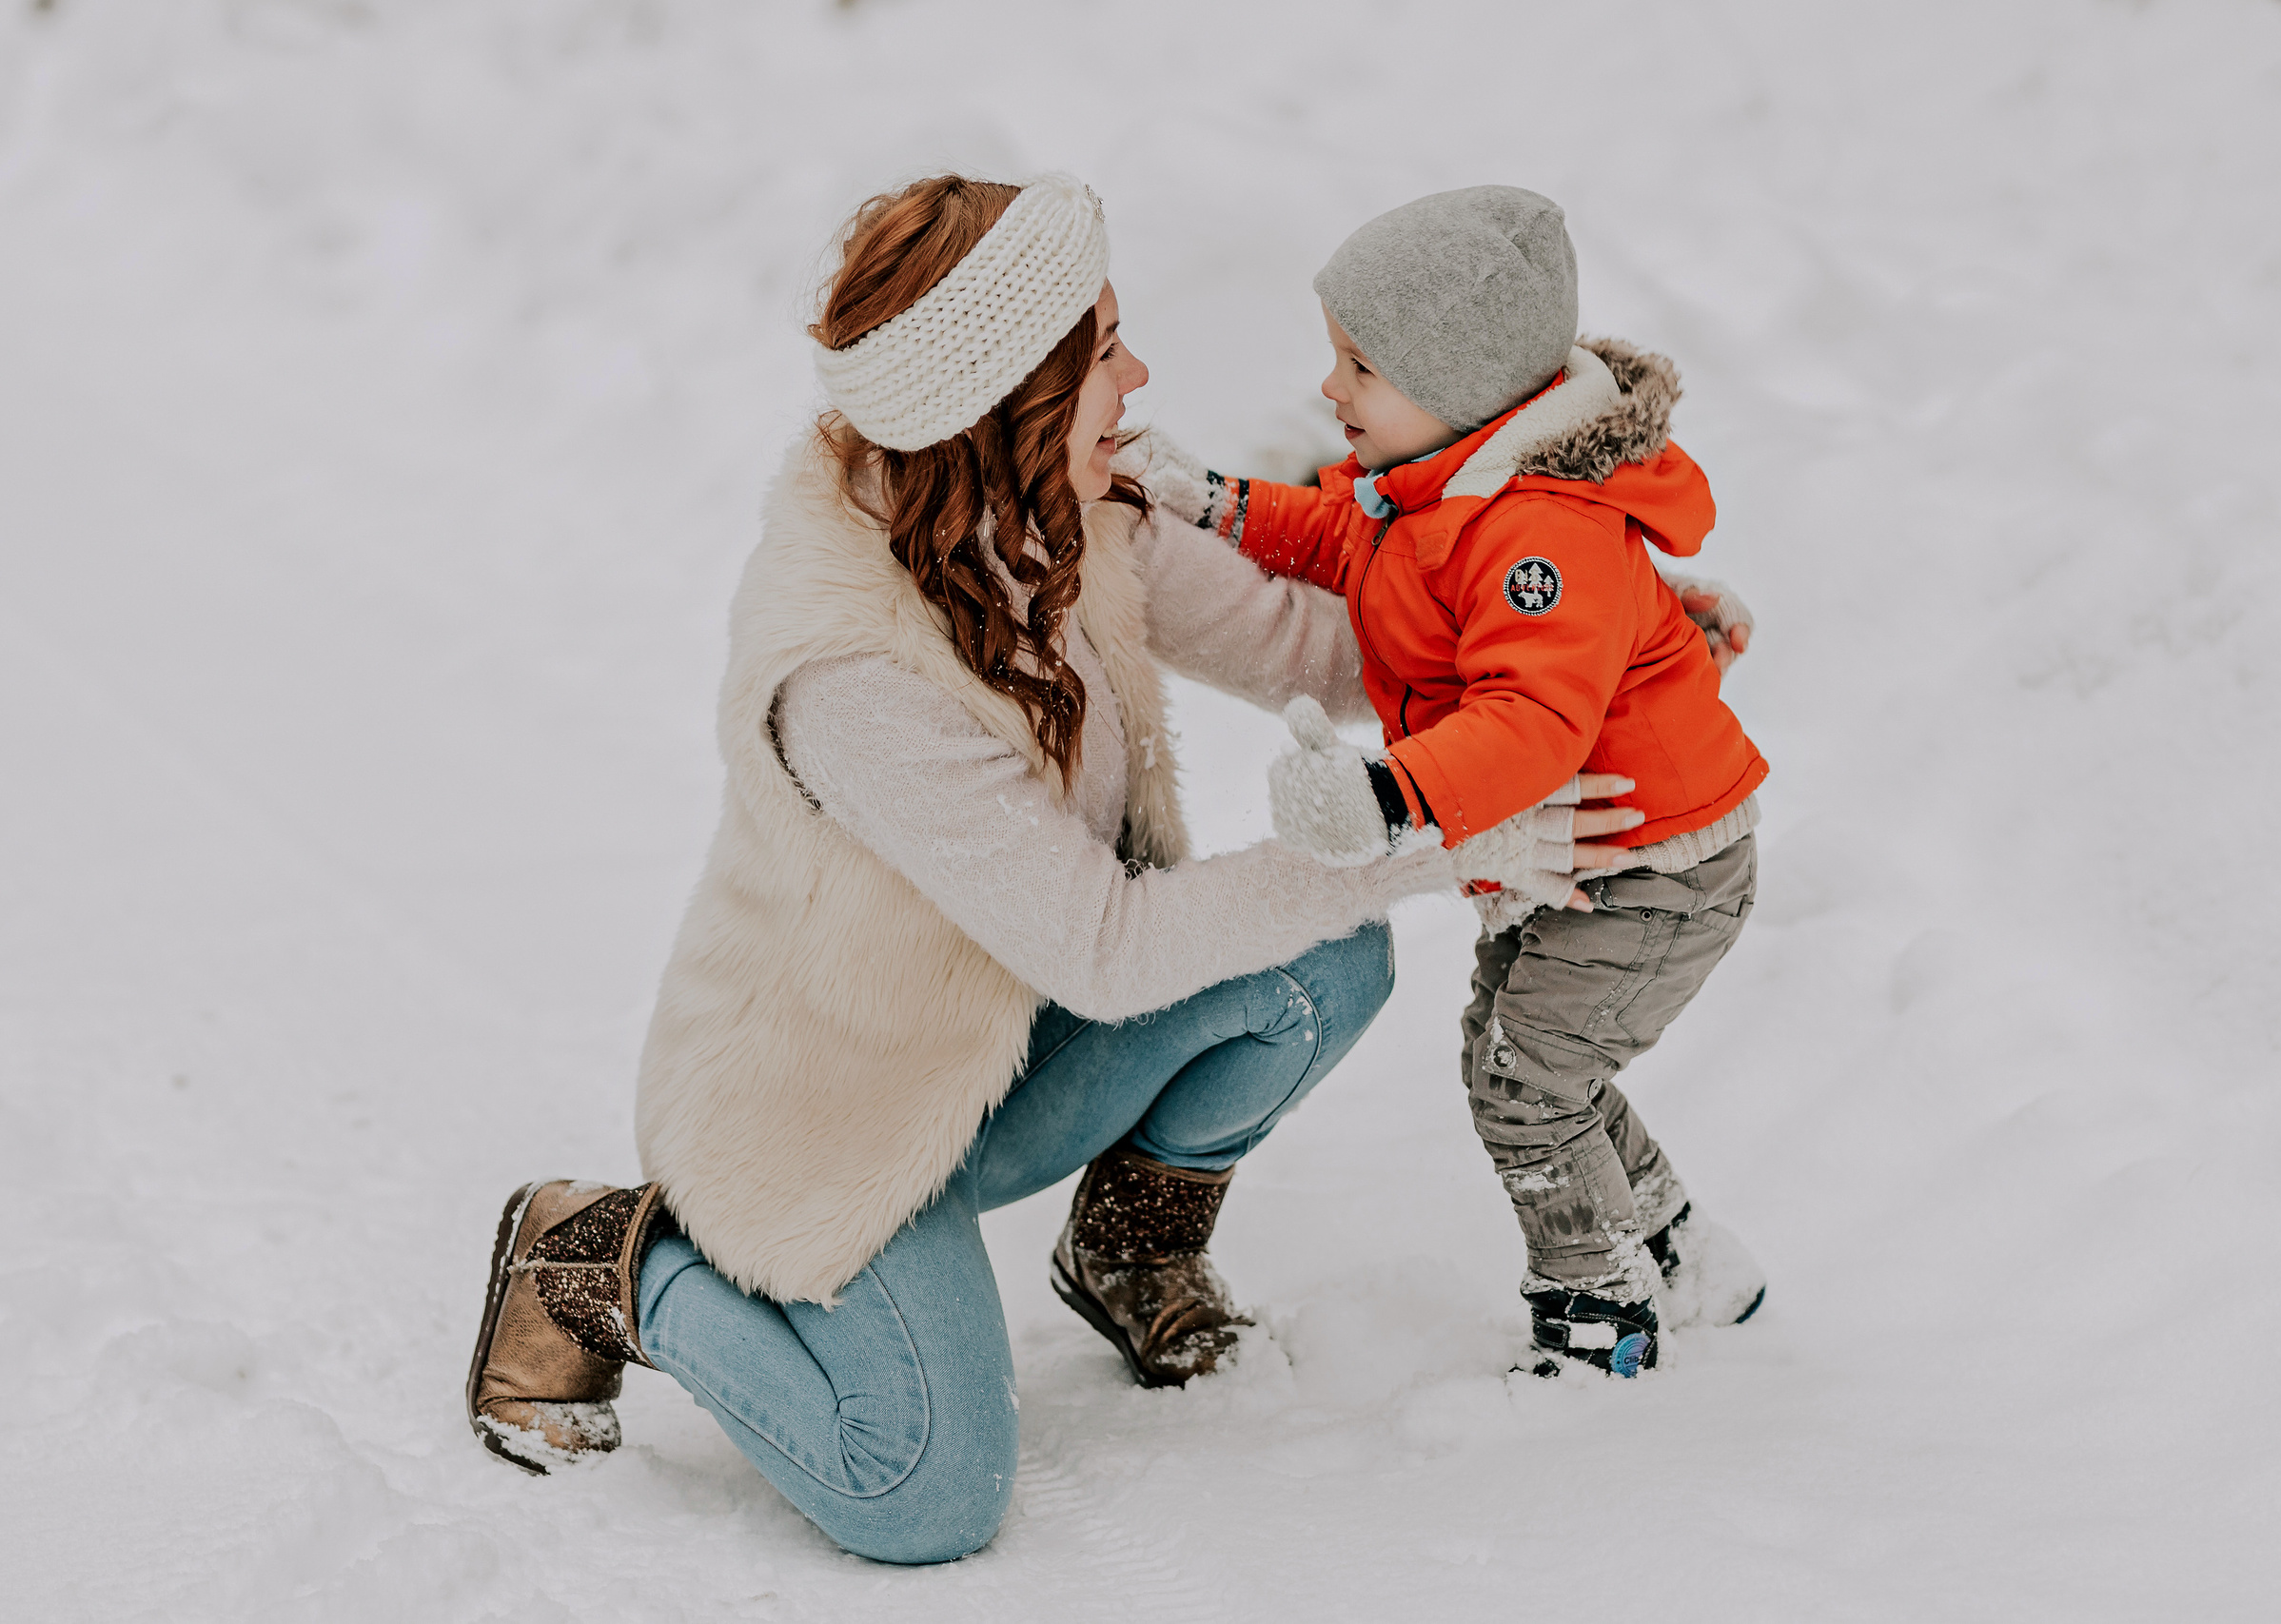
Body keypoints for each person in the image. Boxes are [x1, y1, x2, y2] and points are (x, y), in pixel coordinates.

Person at [458, 173, 1702, 1564]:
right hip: (840, 1115)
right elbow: (1108, 947)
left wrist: (1604, 623)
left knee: (1317, 967)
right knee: (916, 1490)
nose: (1142, 371)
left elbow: (1318, 650)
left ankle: (1130, 1243)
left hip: (1016, 1035)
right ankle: (599, 1260)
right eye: (1106, 344)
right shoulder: (853, 671)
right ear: (1012, 394)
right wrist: (1423, 841)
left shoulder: (1067, 510)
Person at [1137, 186, 1771, 1379]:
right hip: (1594, 861)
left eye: (1360, 366)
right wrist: (1212, 501)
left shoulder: (1533, 535)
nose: (1332, 390)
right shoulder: (1433, 483)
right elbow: (1336, 537)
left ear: (1463, 382)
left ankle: (1599, 1322)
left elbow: (1531, 721)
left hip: (1654, 869)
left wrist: (1388, 799)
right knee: (1522, 1061)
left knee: (1527, 1083)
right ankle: (1675, 1251)